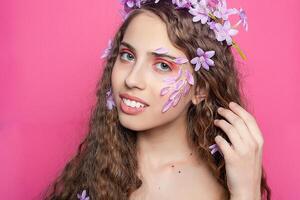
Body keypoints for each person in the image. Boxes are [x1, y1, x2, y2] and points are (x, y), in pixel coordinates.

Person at [43, 0, 271, 199]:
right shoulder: (101, 160)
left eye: (163, 65)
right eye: (128, 56)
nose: (132, 79)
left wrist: (246, 193)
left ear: (200, 89)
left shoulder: (221, 184)